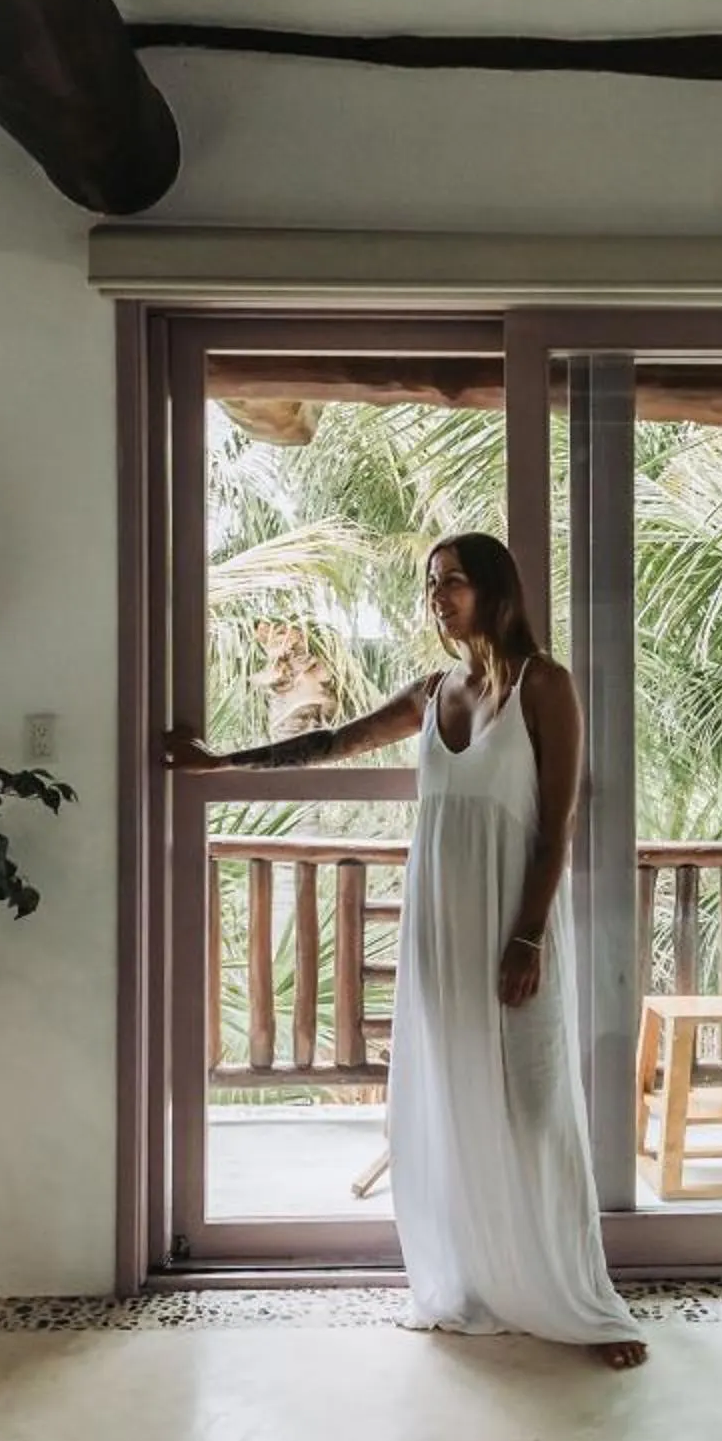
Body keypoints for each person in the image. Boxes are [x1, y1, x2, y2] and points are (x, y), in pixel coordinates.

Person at [166, 534, 649, 1371]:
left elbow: (555, 826)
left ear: (495, 588)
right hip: (440, 926)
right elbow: (332, 744)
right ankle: (473, 1285)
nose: (438, 596)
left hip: (511, 925)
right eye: (432, 585)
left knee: (533, 1109)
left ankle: (580, 1302)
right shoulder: (434, 692)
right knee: (455, 1097)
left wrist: (528, 935)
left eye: (453, 581)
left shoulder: (547, 686)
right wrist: (219, 766)